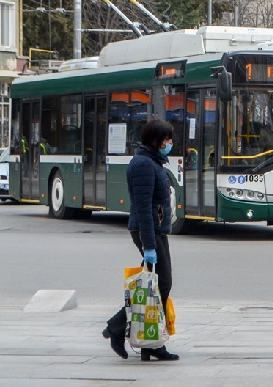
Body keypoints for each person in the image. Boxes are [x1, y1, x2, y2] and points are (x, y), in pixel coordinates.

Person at [103, 118, 180, 362]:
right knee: (161, 284)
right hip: (149, 230)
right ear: (155, 140)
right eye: (167, 139)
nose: (170, 144)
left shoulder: (152, 162)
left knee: (157, 287)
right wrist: (148, 246)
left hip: (155, 230)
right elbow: (145, 208)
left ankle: (150, 343)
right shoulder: (144, 165)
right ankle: (118, 329)